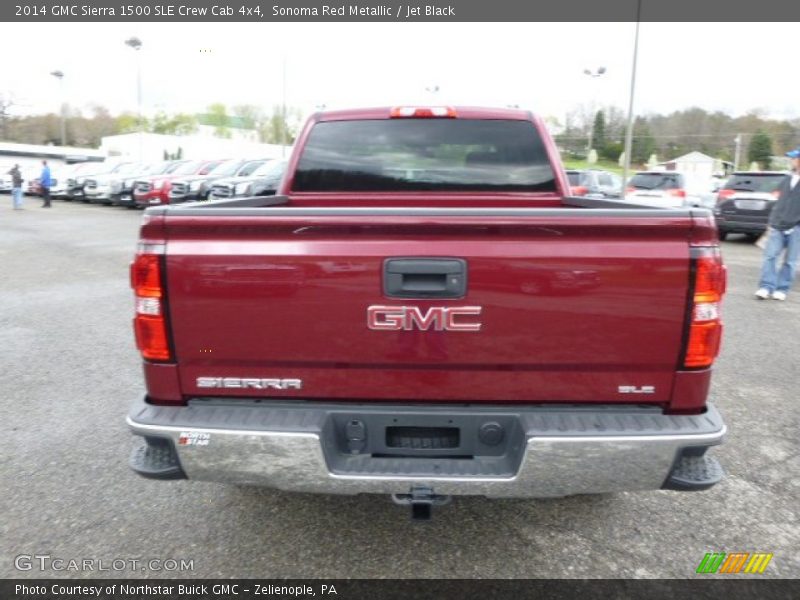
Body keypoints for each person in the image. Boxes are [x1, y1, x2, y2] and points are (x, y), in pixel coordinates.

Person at [755, 146, 800, 301]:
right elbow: (779, 202)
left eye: (794, 158)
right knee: (770, 257)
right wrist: (771, 222)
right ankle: (766, 287)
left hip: (796, 228)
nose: (791, 160)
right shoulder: (787, 178)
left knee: (790, 261)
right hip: (777, 225)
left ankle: (782, 289)